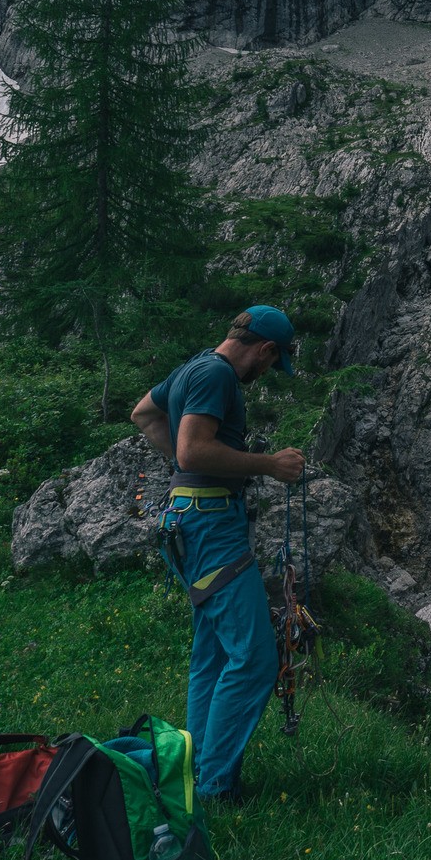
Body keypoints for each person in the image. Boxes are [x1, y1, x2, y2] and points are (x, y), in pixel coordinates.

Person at [131, 304, 305, 802]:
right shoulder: (217, 375)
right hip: (212, 525)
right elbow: (193, 450)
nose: (266, 372)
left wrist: (185, 467)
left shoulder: (192, 367)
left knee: (212, 655)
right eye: (272, 362)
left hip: (186, 520)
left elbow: (143, 413)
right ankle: (213, 788)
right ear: (264, 349)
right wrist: (268, 464)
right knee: (254, 658)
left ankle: (194, 770)